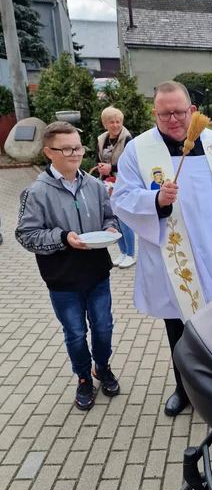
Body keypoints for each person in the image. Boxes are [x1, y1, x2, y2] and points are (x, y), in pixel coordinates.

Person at [112, 81, 212, 417]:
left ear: (192, 110)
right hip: (172, 260)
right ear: (155, 114)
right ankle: (185, 389)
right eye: (165, 114)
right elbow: (121, 199)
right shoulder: (139, 150)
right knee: (179, 329)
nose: (173, 119)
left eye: (179, 111)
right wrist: (155, 200)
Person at [15, 121, 120, 411]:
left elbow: (109, 217)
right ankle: (84, 378)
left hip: (97, 273)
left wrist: (111, 229)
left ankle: (102, 366)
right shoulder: (36, 192)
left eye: (79, 147)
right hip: (62, 279)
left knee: (103, 328)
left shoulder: (95, 185)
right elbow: (25, 235)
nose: (76, 154)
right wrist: (63, 238)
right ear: (49, 152)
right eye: (68, 148)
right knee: (75, 333)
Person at [96, 106, 136, 269]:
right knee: (114, 220)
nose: (115, 125)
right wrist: (100, 167)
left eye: (118, 121)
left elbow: (131, 163)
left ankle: (131, 254)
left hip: (123, 183)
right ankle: (123, 252)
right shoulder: (102, 139)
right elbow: (97, 158)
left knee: (124, 220)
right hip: (108, 184)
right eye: (111, 122)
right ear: (105, 124)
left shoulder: (127, 139)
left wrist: (110, 167)